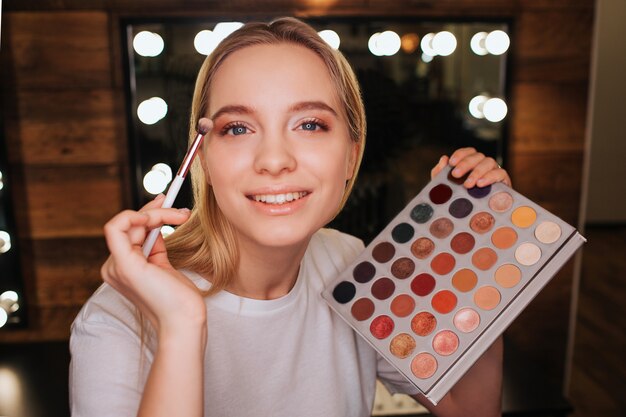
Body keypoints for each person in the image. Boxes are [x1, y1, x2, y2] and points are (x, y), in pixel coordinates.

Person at [70, 17, 510, 417]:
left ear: (351, 154)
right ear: (202, 159)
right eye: (238, 129)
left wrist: (476, 258)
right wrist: (181, 328)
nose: (274, 160)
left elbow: (466, 410)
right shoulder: (116, 320)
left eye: (310, 124)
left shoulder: (349, 264)